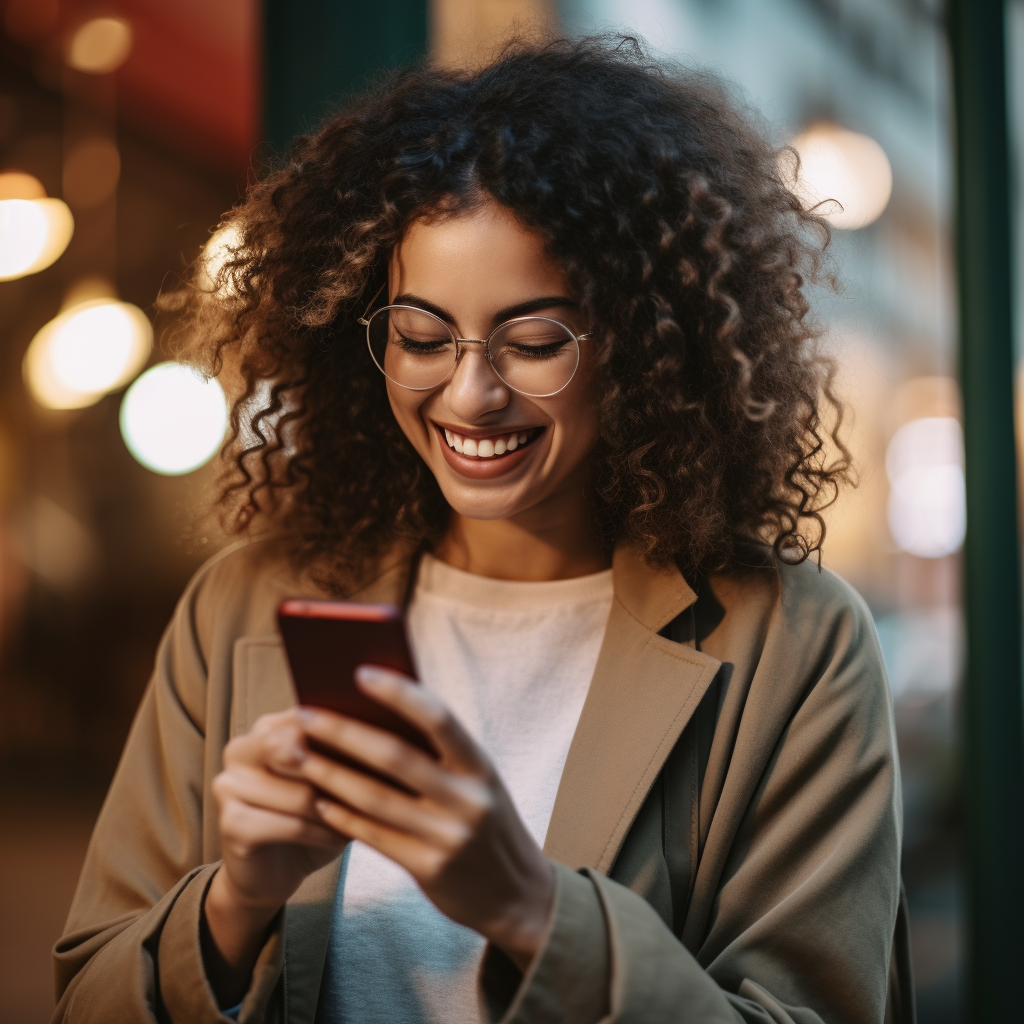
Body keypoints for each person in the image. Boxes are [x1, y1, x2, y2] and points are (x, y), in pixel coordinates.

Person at [52, 37, 911, 1024]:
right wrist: (233, 902)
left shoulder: (793, 643)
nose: (468, 392)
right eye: (419, 337)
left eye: (535, 341)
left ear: (642, 341)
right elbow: (88, 997)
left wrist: (530, 905)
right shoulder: (242, 605)